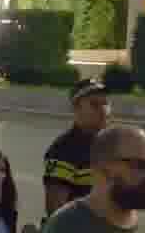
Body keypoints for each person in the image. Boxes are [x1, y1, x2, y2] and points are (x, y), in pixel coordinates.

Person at [42, 79, 110, 215]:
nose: (103, 110)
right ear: (76, 108)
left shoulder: (111, 144)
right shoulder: (63, 150)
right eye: (95, 105)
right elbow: (56, 211)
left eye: (105, 104)